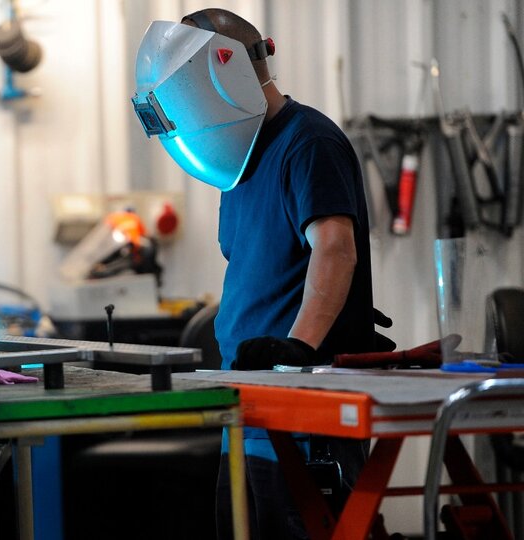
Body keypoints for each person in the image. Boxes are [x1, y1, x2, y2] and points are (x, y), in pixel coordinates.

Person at [132, 8, 380, 539]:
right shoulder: (238, 160)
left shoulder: (308, 142)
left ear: (224, 78)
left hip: (303, 415)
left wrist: (301, 346)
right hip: (248, 414)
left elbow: (335, 250)